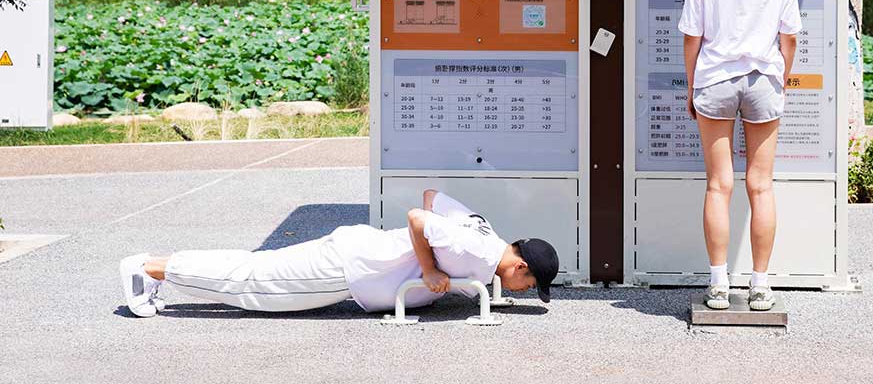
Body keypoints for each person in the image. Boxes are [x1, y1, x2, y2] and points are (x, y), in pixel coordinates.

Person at [119, 189, 558, 318]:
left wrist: (430, 262)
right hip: (347, 267)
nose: (522, 290)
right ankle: (150, 268)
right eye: (529, 284)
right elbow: (418, 216)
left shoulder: (484, 232)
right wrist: (427, 268)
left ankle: (156, 270)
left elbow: (433, 197)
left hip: (353, 260)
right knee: (253, 283)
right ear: (520, 265)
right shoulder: (477, 247)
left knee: (255, 275)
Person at [677, 0, 800, 311]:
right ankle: (760, 285)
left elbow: (692, 38)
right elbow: (789, 37)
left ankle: (718, 285)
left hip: (715, 80)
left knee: (718, 185)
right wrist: (780, 78)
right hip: (763, 79)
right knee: (761, 186)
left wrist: (692, 86)